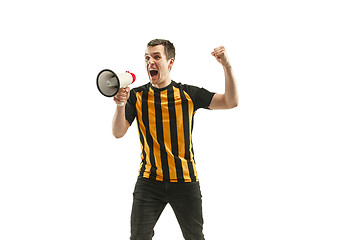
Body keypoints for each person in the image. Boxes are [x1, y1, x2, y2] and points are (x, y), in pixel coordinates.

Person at [112, 39, 238, 240]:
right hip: (149, 181)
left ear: (170, 62)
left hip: (185, 181)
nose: (150, 62)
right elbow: (118, 132)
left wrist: (227, 67)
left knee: (195, 237)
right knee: (138, 236)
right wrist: (120, 105)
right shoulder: (136, 96)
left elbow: (231, 101)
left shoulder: (188, 94)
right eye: (147, 57)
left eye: (156, 57)